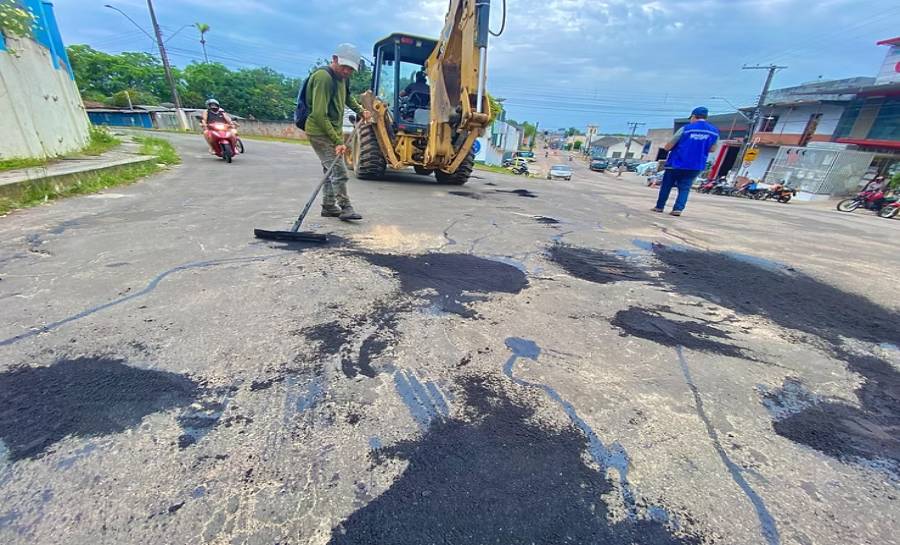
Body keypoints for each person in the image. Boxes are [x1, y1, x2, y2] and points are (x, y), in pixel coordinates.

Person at [305, 43, 371, 220]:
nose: (347, 71)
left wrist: (360, 110)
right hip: (319, 132)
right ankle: (345, 207)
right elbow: (319, 114)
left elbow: (347, 97)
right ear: (334, 59)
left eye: (351, 69)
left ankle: (328, 206)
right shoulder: (323, 78)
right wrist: (337, 141)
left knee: (330, 170)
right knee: (339, 171)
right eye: (344, 67)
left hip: (331, 130)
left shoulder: (343, 78)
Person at [652, 106, 719, 216]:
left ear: (694, 116)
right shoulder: (714, 132)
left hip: (676, 163)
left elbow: (668, 146)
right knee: (685, 188)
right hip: (696, 165)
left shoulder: (686, 129)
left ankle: (659, 207)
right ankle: (678, 209)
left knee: (666, 186)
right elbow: (712, 149)